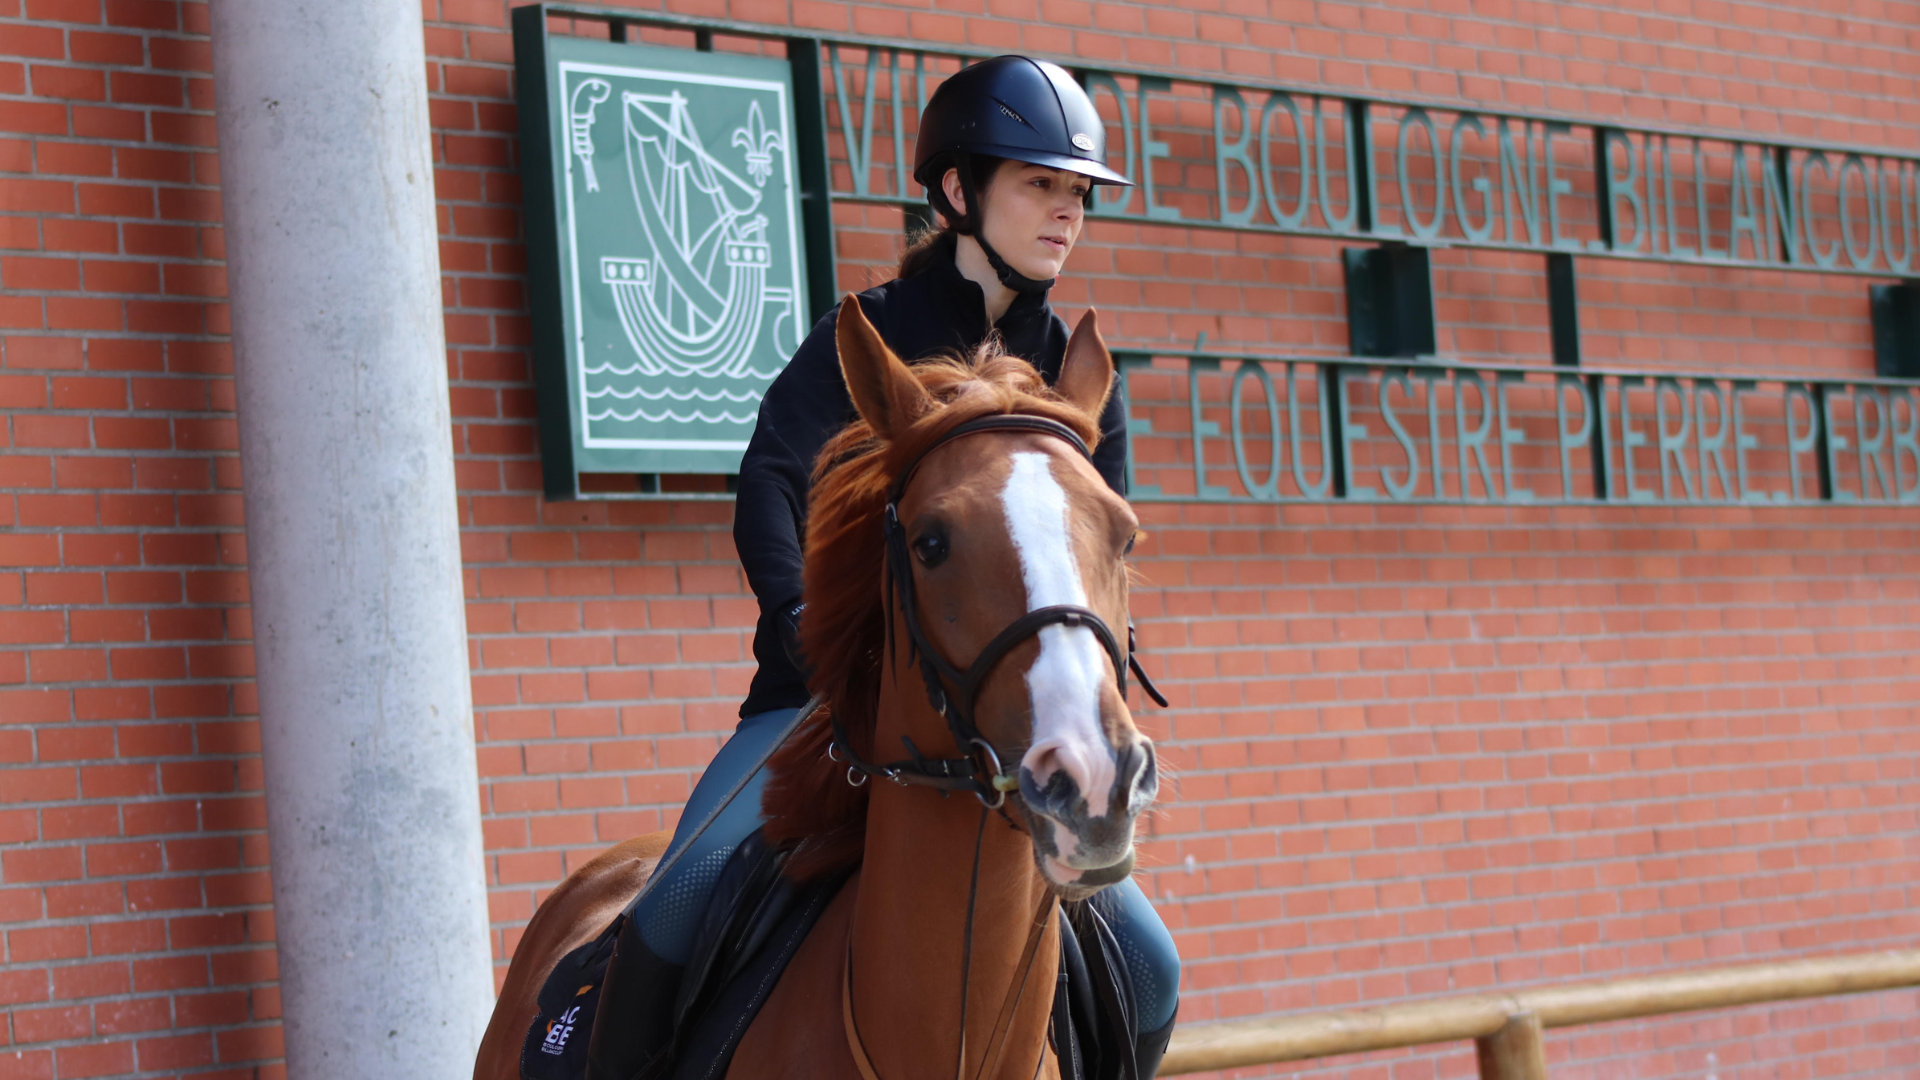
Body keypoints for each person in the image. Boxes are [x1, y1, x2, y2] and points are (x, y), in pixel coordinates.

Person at [593, 55, 1180, 1076]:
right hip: (820, 707)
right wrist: (798, 630)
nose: (1067, 212)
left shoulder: (1084, 382)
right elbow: (771, 486)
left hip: (1020, 722)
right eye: (1040, 184)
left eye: (1078, 193)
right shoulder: (865, 338)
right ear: (959, 191)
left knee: (1152, 964)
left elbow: (1098, 558)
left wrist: (1098, 668)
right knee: (672, 909)